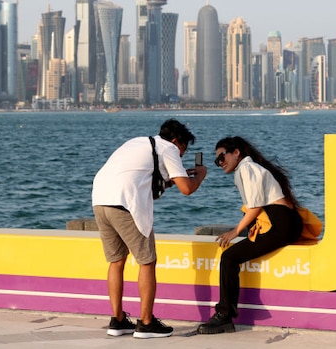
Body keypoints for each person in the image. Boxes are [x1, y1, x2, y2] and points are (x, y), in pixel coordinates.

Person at [91, 118, 207, 339]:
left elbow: (141, 179)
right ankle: (146, 322)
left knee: (116, 261)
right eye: (183, 150)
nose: (181, 156)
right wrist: (200, 175)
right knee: (147, 261)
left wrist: (170, 181)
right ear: (176, 141)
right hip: (124, 203)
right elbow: (187, 189)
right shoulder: (169, 149)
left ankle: (117, 321)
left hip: (100, 200)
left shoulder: (138, 143)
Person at [198, 136, 303, 335]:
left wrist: (235, 231)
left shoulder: (246, 169)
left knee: (229, 257)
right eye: (217, 161)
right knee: (234, 254)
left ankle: (224, 316)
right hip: (284, 222)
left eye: (222, 157)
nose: (220, 163)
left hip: (280, 223)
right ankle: (225, 314)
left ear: (236, 152)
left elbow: (255, 206)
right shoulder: (248, 168)